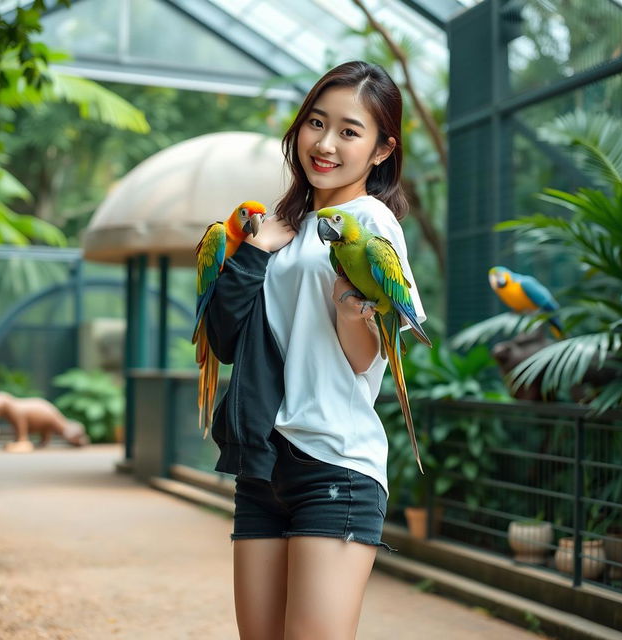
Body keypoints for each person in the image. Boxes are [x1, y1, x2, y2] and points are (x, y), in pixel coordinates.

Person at [205, 60, 427, 640]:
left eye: (350, 131)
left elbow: (364, 359)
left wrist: (350, 305)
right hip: (263, 465)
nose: (325, 144)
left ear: (382, 150)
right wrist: (255, 252)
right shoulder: (282, 224)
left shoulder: (370, 220)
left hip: (333, 462)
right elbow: (225, 341)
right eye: (316, 123)